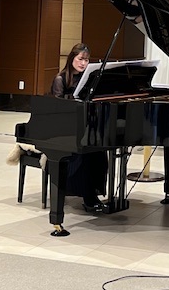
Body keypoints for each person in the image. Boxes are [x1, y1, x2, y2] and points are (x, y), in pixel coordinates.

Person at [51, 43, 108, 212]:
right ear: (72, 59)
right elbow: (57, 109)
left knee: (100, 152)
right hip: (65, 129)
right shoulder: (60, 79)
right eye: (80, 59)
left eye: (86, 60)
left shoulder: (89, 80)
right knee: (85, 154)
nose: (83, 63)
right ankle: (88, 197)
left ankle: (94, 192)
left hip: (84, 126)